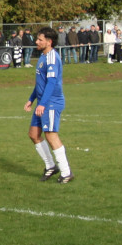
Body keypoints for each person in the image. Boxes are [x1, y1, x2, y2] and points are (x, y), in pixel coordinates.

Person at [24, 27, 72, 183]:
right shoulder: (43, 56)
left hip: (51, 102)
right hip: (42, 102)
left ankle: (66, 172)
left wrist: (42, 104)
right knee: (33, 134)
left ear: (49, 42)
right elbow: (41, 83)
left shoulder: (52, 58)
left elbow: (51, 83)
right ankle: (51, 166)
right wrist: (31, 99)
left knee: (51, 135)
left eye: (40, 40)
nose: (37, 42)